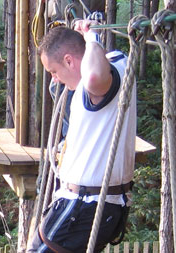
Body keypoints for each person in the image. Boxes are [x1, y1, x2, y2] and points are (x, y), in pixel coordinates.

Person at [30, 21, 137, 252]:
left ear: (69, 60)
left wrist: (92, 39)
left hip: (84, 207)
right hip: (80, 203)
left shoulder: (97, 85)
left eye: (54, 72)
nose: (55, 79)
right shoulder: (118, 60)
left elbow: (94, 77)